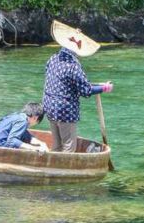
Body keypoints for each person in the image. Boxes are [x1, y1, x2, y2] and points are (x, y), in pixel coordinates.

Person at [43, 20, 114, 153]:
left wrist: (96, 85)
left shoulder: (53, 59)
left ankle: (54, 168)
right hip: (65, 111)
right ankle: (63, 172)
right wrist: (104, 88)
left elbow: (61, 80)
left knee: (57, 144)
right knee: (69, 146)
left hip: (50, 106)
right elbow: (86, 90)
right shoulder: (73, 66)